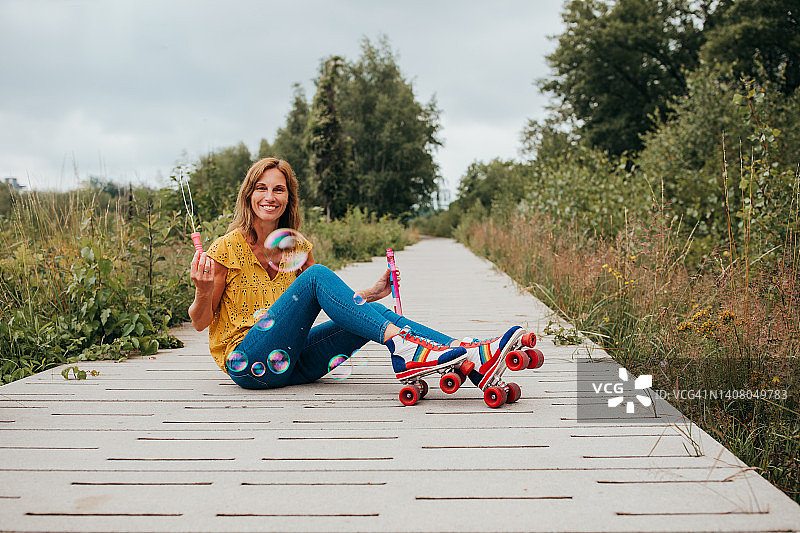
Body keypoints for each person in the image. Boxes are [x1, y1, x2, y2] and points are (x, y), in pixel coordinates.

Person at [188, 157, 526, 395]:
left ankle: (469, 355)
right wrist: (203, 292)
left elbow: (328, 301)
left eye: (279, 189)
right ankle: (406, 345)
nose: (269, 197)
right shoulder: (225, 249)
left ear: (289, 196)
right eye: (261, 188)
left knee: (377, 313)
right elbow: (201, 323)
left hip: (292, 363)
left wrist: (370, 294)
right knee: (318, 274)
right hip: (248, 362)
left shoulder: (295, 246)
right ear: (249, 195)